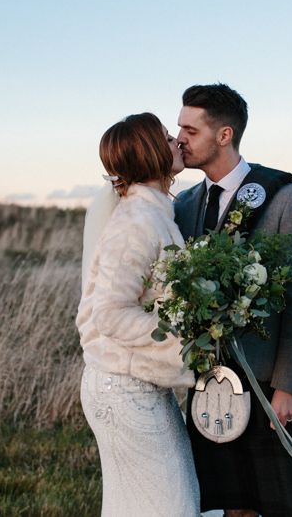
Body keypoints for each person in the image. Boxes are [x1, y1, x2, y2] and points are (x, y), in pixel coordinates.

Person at [174, 83, 292, 517]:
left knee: (281, 505)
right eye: (178, 127)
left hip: (265, 385)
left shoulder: (283, 197)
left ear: (224, 135)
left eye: (190, 129)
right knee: (228, 504)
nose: (179, 137)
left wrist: (291, 385)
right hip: (206, 384)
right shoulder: (183, 205)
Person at [76, 112, 200, 517]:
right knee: (171, 507)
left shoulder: (154, 212)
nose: (176, 143)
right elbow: (110, 313)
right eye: (167, 139)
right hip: (124, 390)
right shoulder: (137, 222)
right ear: (150, 153)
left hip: (138, 384)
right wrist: (182, 333)